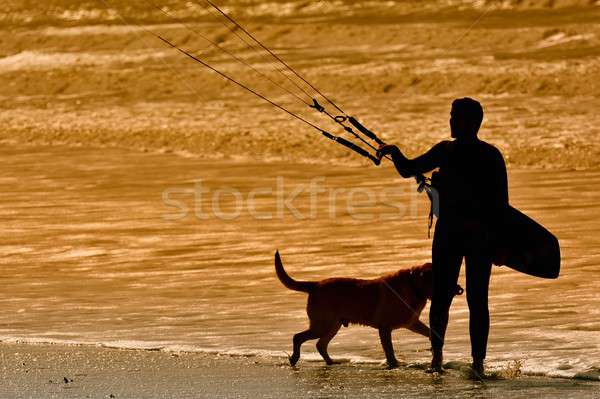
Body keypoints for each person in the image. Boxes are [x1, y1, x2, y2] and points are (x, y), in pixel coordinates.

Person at [376, 97, 509, 376]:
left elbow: (407, 169)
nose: (449, 120)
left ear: (472, 122)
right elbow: (502, 207)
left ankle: (444, 361)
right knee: (475, 300)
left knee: (446, 299)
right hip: (478, 237)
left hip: (454, 235)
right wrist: (501, 245)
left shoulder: (447, 151)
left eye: (454, 116)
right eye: (450, 115)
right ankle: (474, 365)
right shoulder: (491, 154)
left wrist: (395, 152)